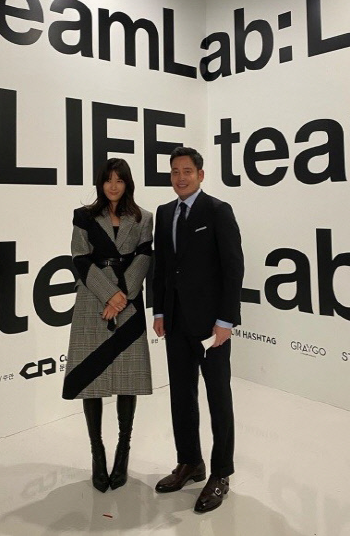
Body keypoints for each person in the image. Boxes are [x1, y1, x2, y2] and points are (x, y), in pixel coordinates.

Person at [152, 146, 244, 513]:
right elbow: (161, 267)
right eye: (175, 171)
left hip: (211, 326)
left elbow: (233, 268)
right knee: (181, 395)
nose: (181, 178)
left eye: (187, 171)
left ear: (201, 175)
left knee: (218, 397)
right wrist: (159, 311)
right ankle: (190, 462)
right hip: (175, 322)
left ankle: (220, 473)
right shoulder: (165, 213)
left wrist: (226, 320)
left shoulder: (218, 211)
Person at [62, 158, 153, 493]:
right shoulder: (84, 216)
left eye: (120, 180)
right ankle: (97, 453)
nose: (113, 186)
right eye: (108, 180)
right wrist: (108, 295)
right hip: (93, 300)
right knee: (91, 378)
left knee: (128, 379)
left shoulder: (143, 218)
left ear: (128, 183)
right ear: (100, 183)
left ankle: (122, 451)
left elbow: (144, 257)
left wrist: (122, 296)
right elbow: (79, 257)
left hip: (128, 303)